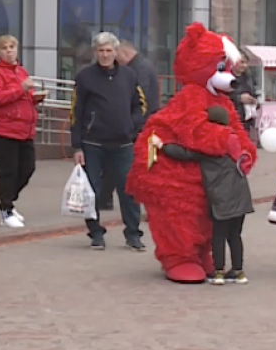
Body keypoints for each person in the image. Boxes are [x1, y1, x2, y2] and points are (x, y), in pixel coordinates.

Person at [156, 106, 254, 285]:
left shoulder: (211, 143)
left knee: (219, 234)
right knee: (235, 235)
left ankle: (218, 272)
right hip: (240, 194)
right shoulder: (234, 140)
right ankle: (239, 272)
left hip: (220, 196)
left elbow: (185, 154)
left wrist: (162, 145)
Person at [70, 32, 147, 251]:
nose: (105, 55)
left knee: (129, 190)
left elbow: (139, 104)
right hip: (93, 144)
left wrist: (132, 125)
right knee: (92, 190)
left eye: (109, 51)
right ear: (96, 53)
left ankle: (133, 234)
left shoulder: (129, 75)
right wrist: (77, 146)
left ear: (116, 52)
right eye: (101, 51)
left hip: (123, 144)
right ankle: (95, 233)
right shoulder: (85, 77)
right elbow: (76, 111)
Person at [0, 35, 42, 229]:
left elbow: (25, 95)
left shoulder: (21, 71)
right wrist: (21, 88)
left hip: (24, 129)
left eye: (12, 47)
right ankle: (5, 209)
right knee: (8, 172)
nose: (9, 51)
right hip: (3, 130)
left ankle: (7, 201)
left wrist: (35, 97)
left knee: (27, 168)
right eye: (4, 48)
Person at [100, 40, 162, 212]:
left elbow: (140, 96)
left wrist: (130, 121)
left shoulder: (137, 69)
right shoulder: (141, 66)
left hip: (139, 125)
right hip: (141, 123)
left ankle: (113, 197)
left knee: (124, 162)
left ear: (124, 53)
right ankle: (107, 197)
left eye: (115, 55)